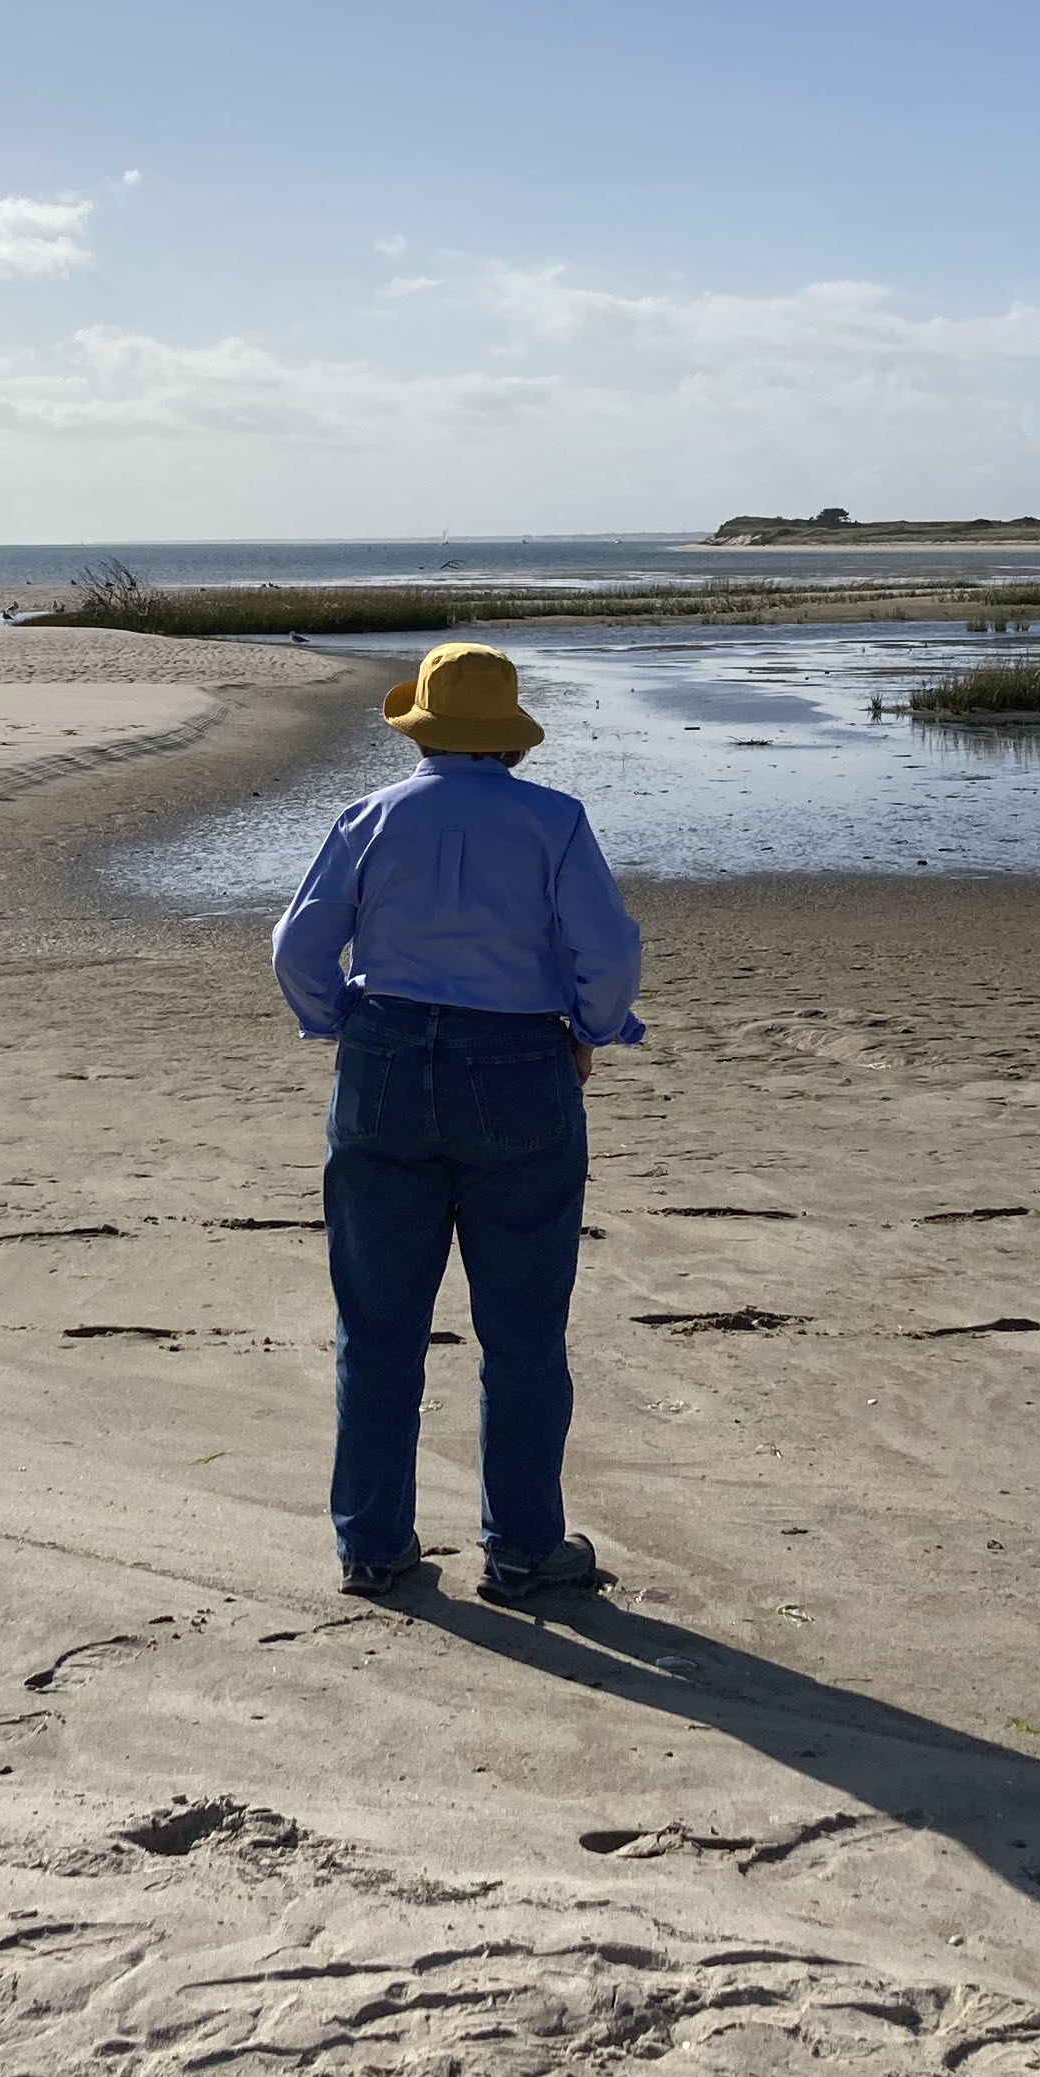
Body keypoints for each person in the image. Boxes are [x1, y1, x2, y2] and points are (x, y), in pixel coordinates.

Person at [270, 642, 645, 1603]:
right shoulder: (553, 819)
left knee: (377, 1324)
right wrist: (591, 1031)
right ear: (508, 737)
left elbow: (299, 943)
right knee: (522, 1331)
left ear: (421, 729)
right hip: (517, 1060)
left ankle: (371, 1545)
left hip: (386, 1055)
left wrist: (337, 1017)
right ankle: (521, 1547)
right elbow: (606, 948)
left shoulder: (370, 815)